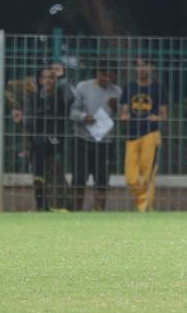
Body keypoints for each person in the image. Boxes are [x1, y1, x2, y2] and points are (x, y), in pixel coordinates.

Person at [13, 64, 73, 211]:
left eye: (52, 78)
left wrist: (63, 78)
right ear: (40, 80)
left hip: (55, 139)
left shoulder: (60, 95)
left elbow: (71, 100)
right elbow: (28, 122)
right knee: (38, 144)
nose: (48, 81)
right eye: (45, 78)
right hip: (37, 142)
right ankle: (41, 202)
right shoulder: (33, 98)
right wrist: (22, 118)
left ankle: (38, 176)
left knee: (38, 145)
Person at [69, 61, 121, 211]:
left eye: (111, 76)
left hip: (105, 141)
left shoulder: (117, 91)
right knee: (79, 179)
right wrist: (85, 117)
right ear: (98, 73)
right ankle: (76, 211)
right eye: (104, 75)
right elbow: (72, 112)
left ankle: (99, 213)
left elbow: (121, 116)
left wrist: (115, 108)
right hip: (82, 139)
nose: (107, 80)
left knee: (102, 181)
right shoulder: (83, 87)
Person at [120, 57, 167, 212]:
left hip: (151, 135)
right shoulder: (129, 88)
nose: (141, 69)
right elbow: (124, 113)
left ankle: (145, 208)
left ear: (151, 67)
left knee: (148, 176)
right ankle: (142, 202)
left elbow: (164, 116)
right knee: (130, 178)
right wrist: (124, 117)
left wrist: (157, 117)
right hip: (132, 135)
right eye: (138, 66)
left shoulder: (158, 89)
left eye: (145, 65)